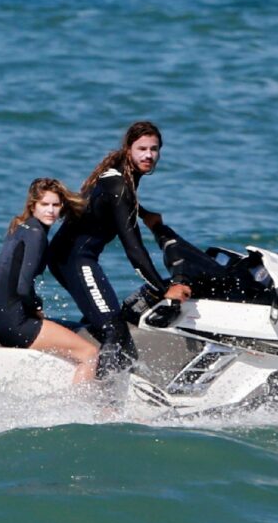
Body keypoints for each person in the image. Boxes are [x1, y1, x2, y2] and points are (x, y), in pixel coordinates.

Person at [47, 121, 190, 377]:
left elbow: (110, 205)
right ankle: (104, 404)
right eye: (142, 149)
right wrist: (165, 290)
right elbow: (134, 251)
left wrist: (143, 213)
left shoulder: (118, 175)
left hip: (67, 257)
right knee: (115, 329)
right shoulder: (121, 186)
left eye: (154, 149)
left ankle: (78, 358)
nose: (148, 155)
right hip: (75, 260)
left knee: (102, 317)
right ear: (128, 150)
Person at [0, 178, 99, 385]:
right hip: (11, 322)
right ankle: (79, 407)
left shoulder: (19, 226)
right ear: (33, 205)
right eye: (44, 204)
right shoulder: (36, 235)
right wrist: (36, 307)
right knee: (89, 352)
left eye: (56, 205)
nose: (50, 210)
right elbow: (23, 287)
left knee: (63, 331)